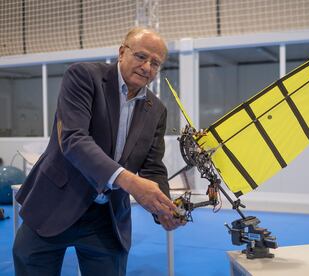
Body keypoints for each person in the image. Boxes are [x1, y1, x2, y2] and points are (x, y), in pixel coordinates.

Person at [13, 27, 185, 276]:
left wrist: (165, 208)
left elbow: (152, 166)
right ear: (122, 52)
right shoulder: (83, 76)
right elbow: (74, 139)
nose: (147, 67)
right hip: (54, 203)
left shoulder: (156, 109)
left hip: (107, 218)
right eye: (141, 57)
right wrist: (130, 181)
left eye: (155, 63)